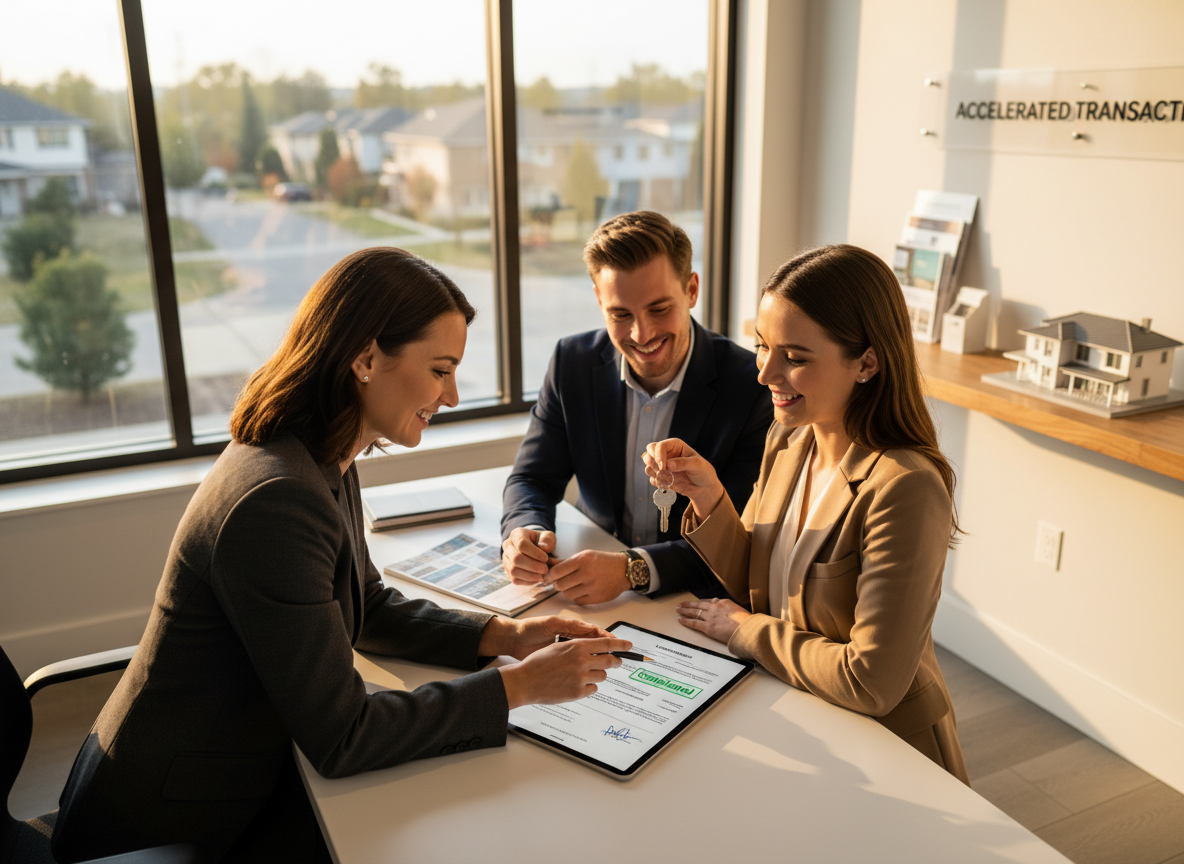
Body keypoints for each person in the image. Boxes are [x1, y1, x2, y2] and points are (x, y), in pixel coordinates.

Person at [52, 248, 631, 863]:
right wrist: (516, 688)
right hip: (173, 816)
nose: (453, 396)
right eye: (440, 370)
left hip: (235, 768)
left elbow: (366, 604)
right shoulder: (277, 496)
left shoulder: (319, 449)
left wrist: (507, 635)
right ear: (363, 358)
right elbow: (345, 737)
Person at [644, 244, 970, 783]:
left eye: (794, 358)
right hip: (801, 714)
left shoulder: (906, 488)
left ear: (866, 362)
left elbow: (870, 680)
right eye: (762, 346)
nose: (765, 372)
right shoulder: (791, 440)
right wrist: (708, 495)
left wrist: (745, 631)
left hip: (888, 753)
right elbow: (761, 580)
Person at [501, 211, 773, 604]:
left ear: (692, 290)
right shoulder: (571, 362)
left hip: (693, 602)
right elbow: (531, 479)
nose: (641, 334)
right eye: (620, 314)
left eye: (659, 309)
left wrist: (633, 569)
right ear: (598, 300)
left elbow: (742, 536)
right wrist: (523, 533)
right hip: (590, 595)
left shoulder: (753, 384)